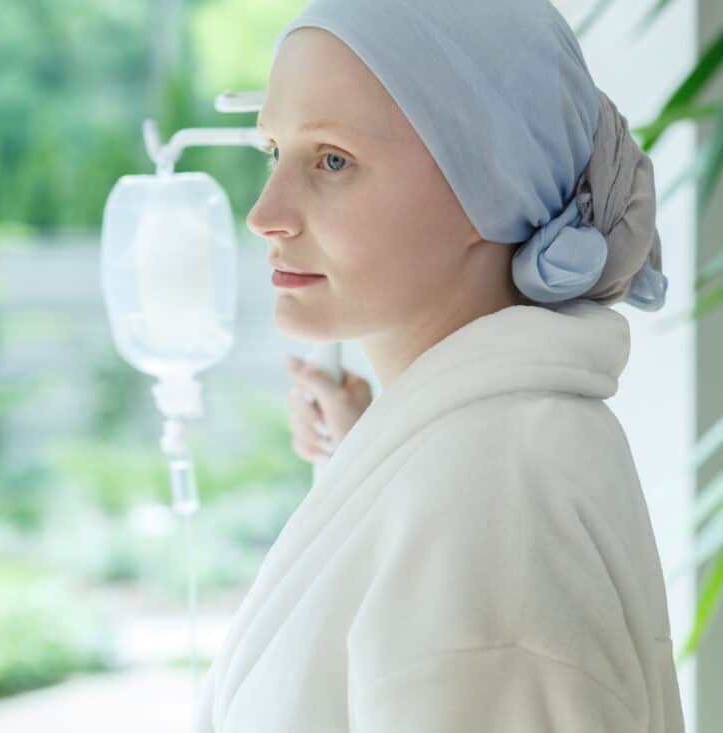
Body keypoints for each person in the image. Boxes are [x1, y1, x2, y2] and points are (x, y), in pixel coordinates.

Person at [192, 1, 683, 731]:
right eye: (272, 152)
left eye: (332, 159)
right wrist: (374, 451)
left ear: (492, 187)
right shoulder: (483, 459)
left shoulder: (495, 509)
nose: (265, 213)